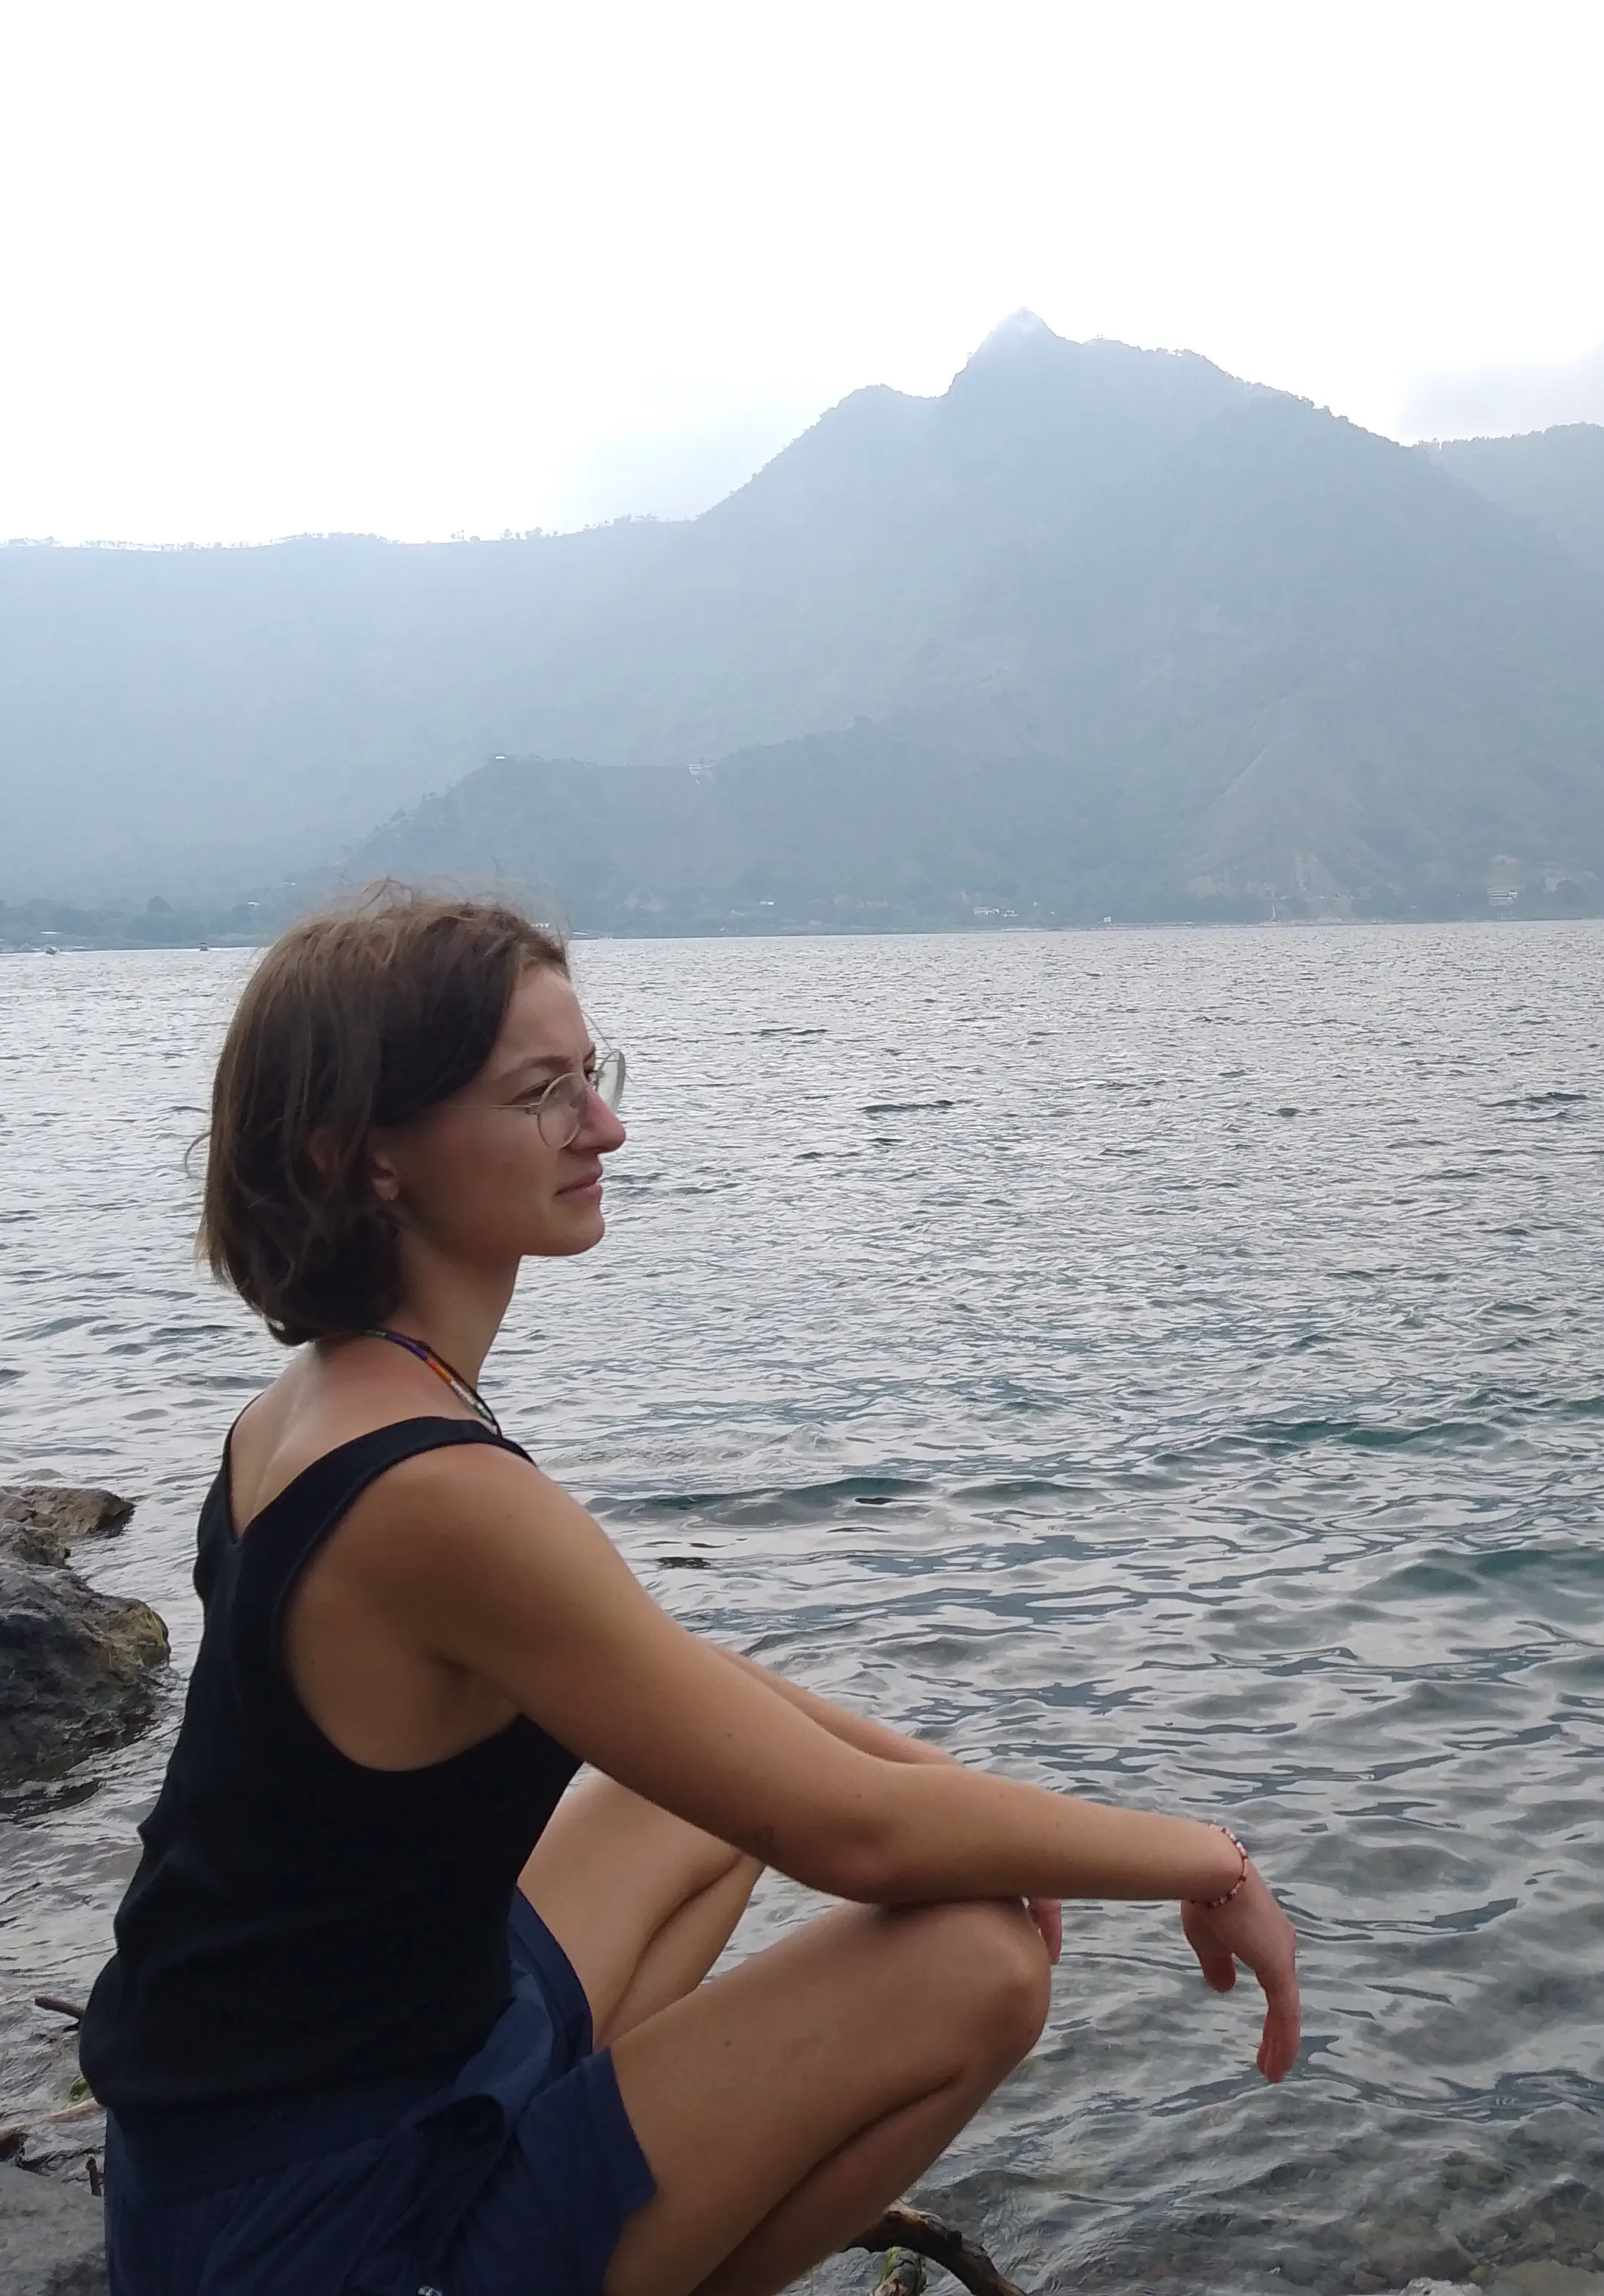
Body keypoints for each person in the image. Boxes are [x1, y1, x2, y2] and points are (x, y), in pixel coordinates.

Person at [77, 890, 1301, 2296]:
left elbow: (675, 1687)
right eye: (542, 1095)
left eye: (593, 1075)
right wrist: (1204, 1858)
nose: (603, 1130)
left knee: (689, 1793)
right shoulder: (435, 1498)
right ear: (364, 1160)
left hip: (312, 2109)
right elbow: (861, 1842)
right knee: (975, 1961)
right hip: (326, 2227)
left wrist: (967, 1795)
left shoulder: (313, 1404)